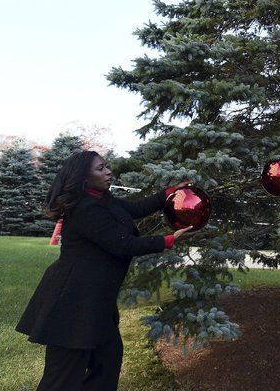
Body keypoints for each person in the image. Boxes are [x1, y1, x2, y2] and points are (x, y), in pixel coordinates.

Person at [15, 150, 195, 390]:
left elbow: (136, 208)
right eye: (100, 168)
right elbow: (123, 244)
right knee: (62, 378)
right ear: (84, 178)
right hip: (72, 303)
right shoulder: (84, 209)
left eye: (106, 166)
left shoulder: (103, 199)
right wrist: (167, 240)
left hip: (94, 300)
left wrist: (168, 193)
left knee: (107, 361)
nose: (108, 171)